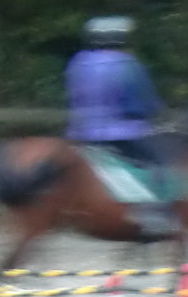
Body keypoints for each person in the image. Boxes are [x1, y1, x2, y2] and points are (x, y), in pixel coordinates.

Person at [64, 16, 175, 236]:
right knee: (159, 161)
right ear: (121, 38)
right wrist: (158, 116)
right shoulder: (128, 64)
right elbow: (143, 101)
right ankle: (155, 214)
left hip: (82, 133)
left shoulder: (78, 63)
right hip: (121, 133)